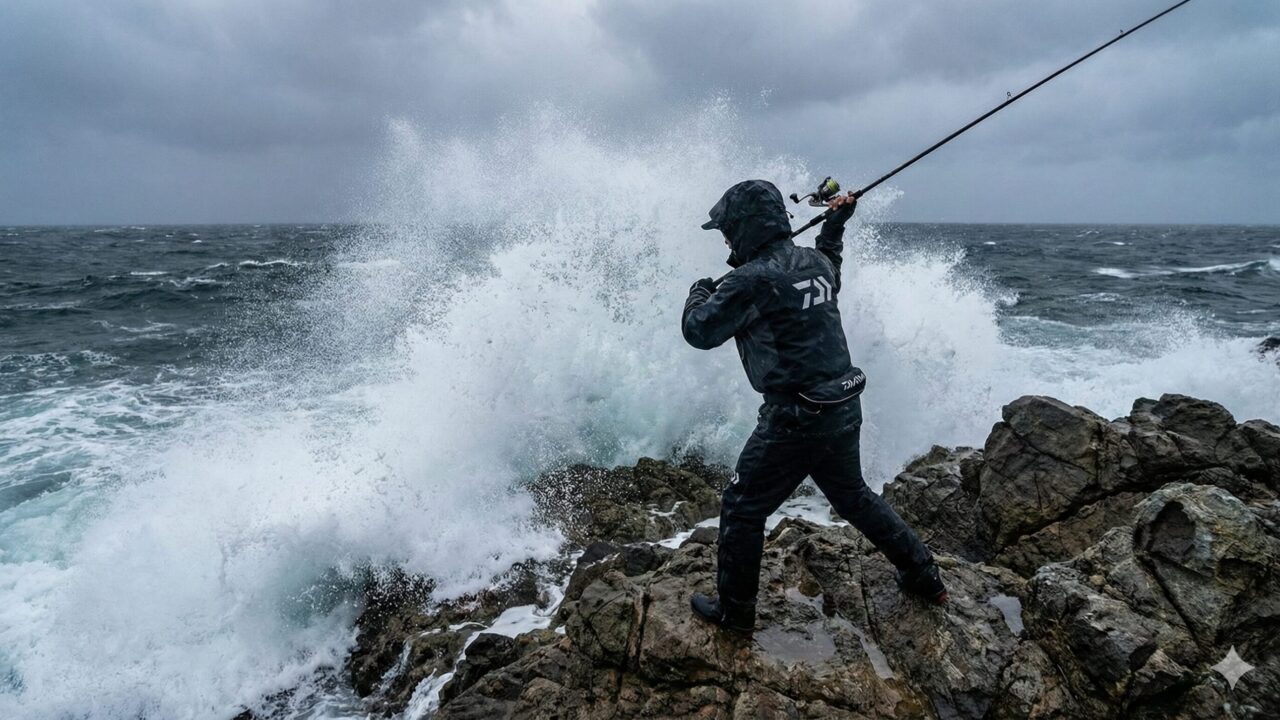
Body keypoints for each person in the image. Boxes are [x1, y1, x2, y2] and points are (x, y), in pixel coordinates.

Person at [682, 179, 947, 634]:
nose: (725, 240)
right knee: (853, 496)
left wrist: (698, 292)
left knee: (742, 507)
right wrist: (835, 226)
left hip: (794, 419)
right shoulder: (815, 262)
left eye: (727, 231)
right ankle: (925, 576)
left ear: (746, 228)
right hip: (841, 406)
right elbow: (831, 268)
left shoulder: (750, 280)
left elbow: (699, 331)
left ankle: (735, 614)